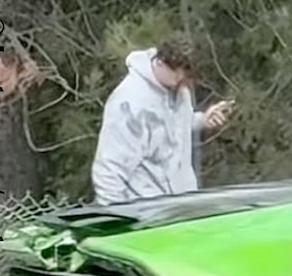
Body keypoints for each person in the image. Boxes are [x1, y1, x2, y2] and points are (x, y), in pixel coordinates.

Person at [91, 34, 233, 205]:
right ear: (159, 61)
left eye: (185, 70)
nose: (180, 76)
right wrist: (115, 221)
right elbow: (109, 170)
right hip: (147, 214)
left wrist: (202, 120)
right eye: (175, 69)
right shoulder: (129, 103)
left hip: (181, 206)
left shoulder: (179, 89)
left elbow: (171, 127)